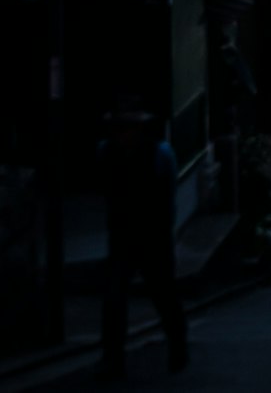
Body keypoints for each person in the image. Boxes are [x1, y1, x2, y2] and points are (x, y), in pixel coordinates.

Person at [98, 102, 188, 380]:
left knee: (163, 295)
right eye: (120, 128)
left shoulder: (160, 154)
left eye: (130, 128)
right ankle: (113, 359)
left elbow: (168, 197)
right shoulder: (107, 152)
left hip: (153, 234)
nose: (125, 134)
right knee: (114, 298)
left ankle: (178, 346)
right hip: (123, 233)